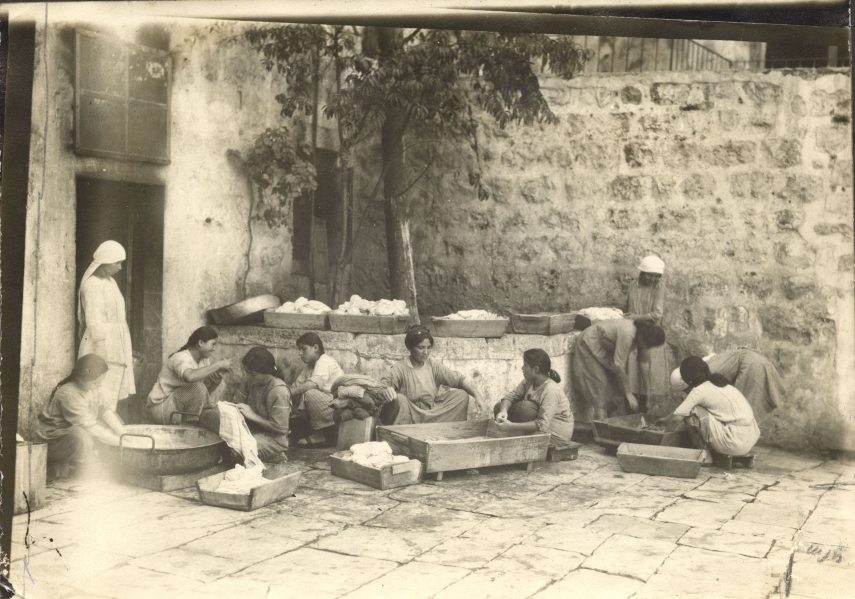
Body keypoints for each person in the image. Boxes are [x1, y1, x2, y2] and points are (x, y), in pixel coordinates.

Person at [34, 354, 125, 478]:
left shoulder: (92, 388)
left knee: (116, 423)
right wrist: (121, 442)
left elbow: (105, 411)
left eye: (101, 381)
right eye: (96, 382)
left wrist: (123, 433)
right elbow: (90, 426)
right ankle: (68, 463)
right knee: (82, 438)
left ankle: (88, 460)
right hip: (53, 440)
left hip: (75, 428)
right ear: (81, 379)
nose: (99, 385)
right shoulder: (69, 393)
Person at [380, 325, 487, 425]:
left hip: (432, 411)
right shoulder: (400, 368)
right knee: (399, 399)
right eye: (421, 348)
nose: (426, 352)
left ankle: (442, 430)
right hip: (410, 414)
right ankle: (406, 433)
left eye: (429, 347)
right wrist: (387, 389)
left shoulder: (433, 365)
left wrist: (478, 397)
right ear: (410, 348)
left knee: (461, 396)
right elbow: (384, 384)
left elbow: (459, 380)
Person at [201, 347, 290, 463]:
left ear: (267, 372)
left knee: (235, 453)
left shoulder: (278, 390)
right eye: (246, 372)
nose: (248, 376)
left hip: (273, 439)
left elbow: (280, 428)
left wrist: (252, 415)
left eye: (253, 374)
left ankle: (275, 454)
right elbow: (238, 403)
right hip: (249, 429)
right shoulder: (251, 381)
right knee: (207, 416)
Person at [77, 240, 135, 415]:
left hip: (116, 341)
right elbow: (94, 321)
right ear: (105, 262)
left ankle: (109, 421)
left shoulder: (110, 282)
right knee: (101, 386)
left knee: (114, 387)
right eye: (117, 262)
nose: (120, 267)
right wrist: (101, 353)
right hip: (100, 343)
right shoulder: (92, 285)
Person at [660, 356, 760, 457]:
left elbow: (677, 418)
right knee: (697, 409)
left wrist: (662, 440)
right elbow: (678, 412)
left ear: (689, 381)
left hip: (733, 443)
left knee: (693, 411)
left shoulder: (699, 391)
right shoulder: (721, 383)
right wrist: (666, 418)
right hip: (750, 437)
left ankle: (704, 455)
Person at [571, 318, 666, 421]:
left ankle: (613, 427)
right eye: (647, 346)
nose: (647, 348)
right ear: (643, 338)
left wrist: (648, 393)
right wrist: (629, 394)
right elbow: (619, 366)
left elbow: (643, 363)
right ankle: (602, 432)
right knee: (600, 390)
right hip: (589, 344)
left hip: (606, 352)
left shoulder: (644, 336)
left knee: (615, 393)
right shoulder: (628, 332)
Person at [145, 326, 231, 425]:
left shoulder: (204, 360)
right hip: (160, 408)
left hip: (176, 407)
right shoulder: (180, 357)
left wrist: (217, 376)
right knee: (198, 388)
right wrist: (218, 365)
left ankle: (190, 426)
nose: (214, 349)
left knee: (210, 400)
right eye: (213, 344)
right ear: (201, 343)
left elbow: (202, 393)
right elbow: (190, 377)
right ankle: (190, 427)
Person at [670, 349, 783, 422]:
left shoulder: (704, 373)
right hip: (754, 360)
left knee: (742, 412)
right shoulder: (699, 368)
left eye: (685, 390)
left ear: (688, 382)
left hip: (751, 367)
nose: (686, 393)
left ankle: (735, 449)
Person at [493, 349, 574, 445]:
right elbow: (511, 397)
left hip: (555, 435)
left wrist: (511, 426)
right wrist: (503, 411)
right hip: (540, 428)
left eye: (525, 366)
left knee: (525, 408)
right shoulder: (528, 381)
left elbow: (542, 424)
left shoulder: (551, 390)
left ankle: (517, 436)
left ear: (536, 369)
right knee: (499, 406)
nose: (522, 368)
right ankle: (516, 435)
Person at [624, 254, 669, 414]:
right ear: (642, 273)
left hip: (650, 331)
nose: (652, 279)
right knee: (633, 368)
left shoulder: (659, 287)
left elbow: (657, 314)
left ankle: (650, 399)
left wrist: (635, 317)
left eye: (656, 276)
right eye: (650, 275)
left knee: (646, 364)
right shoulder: (633, 285)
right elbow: (628, 307)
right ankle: (635, 403)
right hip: (633, 329)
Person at [290, 332, 344, 447]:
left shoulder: (325, 361)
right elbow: (296, 386)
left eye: (303, 349)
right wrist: (284, 393)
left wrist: (288, 393)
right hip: (325, 405)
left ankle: (320, 435)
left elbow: (312, 384)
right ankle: (306, 430)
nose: (300, 353)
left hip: (337, 406)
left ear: (315, 348)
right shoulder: (309, 367)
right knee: (298, 393)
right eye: (299, 350)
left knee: (309, 393)